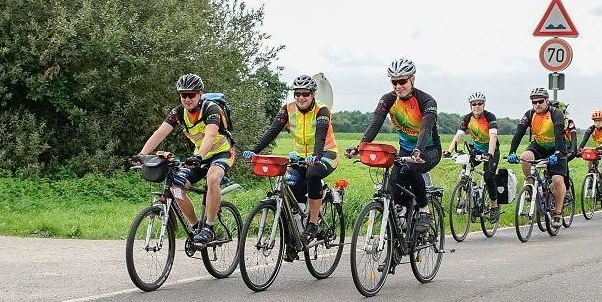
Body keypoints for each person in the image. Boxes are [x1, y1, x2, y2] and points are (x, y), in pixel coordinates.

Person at [134, 73, 234, 245]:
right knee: (176, 186)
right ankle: (197, 228)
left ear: (200, 94)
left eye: (191, 95)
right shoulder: (179, 112)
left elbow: (210, 136)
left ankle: (209, 228)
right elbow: (160, 133)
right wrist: (141, 155)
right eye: (183, 95)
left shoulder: (211, 109)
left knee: (212, 179)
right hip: (200, 156)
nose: (187, 99)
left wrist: (198, 157)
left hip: (222, 153)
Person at [240, 74, 337, 240]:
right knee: (292, 186)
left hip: (326, 153)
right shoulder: (288, 109)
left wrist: (315, 156)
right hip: (299, 156)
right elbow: (272, 131)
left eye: (305, 94)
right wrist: (255, 151)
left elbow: (320, 137)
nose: (301, 97)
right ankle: (295, 235)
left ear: (313, 94)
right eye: (297, 93)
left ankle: (313, 223)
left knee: (312, 174)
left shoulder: (322, 110)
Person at [350, 58, 440, 233]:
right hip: (406, 150)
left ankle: (424, 210)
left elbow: (426, 129)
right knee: (394, 185)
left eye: (402, 81)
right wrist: (359, 147)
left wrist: (418, 151)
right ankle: (399, 230)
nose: (398, 86)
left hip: (428, 150)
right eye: (394, 82)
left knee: (411, 168)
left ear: (412, 79)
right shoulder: (388, 99)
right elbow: (375, 124)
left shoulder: (427, 101)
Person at [507, 88, 570, 223]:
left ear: (547, 101)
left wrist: (558, 153)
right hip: (539, 145)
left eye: (540, 101)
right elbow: (519, 133)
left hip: (557, 147)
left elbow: (559, 134)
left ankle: (558, 212)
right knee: (526, 156)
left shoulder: (556, 113)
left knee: (557, 180)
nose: (537, 104)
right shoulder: (529, 114)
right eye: (534, 102)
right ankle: (531, 186)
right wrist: (512, 151)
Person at [450, 92, 503, 221]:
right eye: (474, 104)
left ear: (484, 105)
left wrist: (489, 154)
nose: (477, 106)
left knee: (488, 176)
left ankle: (494, 207)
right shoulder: (467, 118)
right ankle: (467, 197)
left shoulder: (490, 117)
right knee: (465, 170)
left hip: (491, 151)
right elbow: (458, 136)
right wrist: (449, 151)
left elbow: (493, 137)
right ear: (470, 106)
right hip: (476, 150)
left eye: (480, 104)